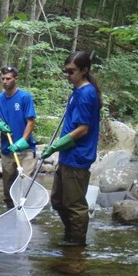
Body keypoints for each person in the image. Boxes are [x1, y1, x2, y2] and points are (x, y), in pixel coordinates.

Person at [42, 51, 101, 246]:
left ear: (84, 71)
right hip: (67, 156)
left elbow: (83, 129)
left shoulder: (86, 94)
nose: (67, 75)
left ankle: (76, 245)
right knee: (58, 201)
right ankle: (69, 235)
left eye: (71, 71)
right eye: (65, 71)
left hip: (78, 157)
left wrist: (56, 146)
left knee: (75, 205)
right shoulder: (76, 92)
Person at [0, 65, 37, 208]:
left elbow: (31, 121)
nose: (5, 81)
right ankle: (10, 211)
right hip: (7, 150)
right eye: (3, 78)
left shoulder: (24, 97)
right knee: (8, 188)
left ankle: (27, 214)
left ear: (15, 79)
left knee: (25, 184)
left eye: (8, 78)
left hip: (26, 150)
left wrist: (23, 140)